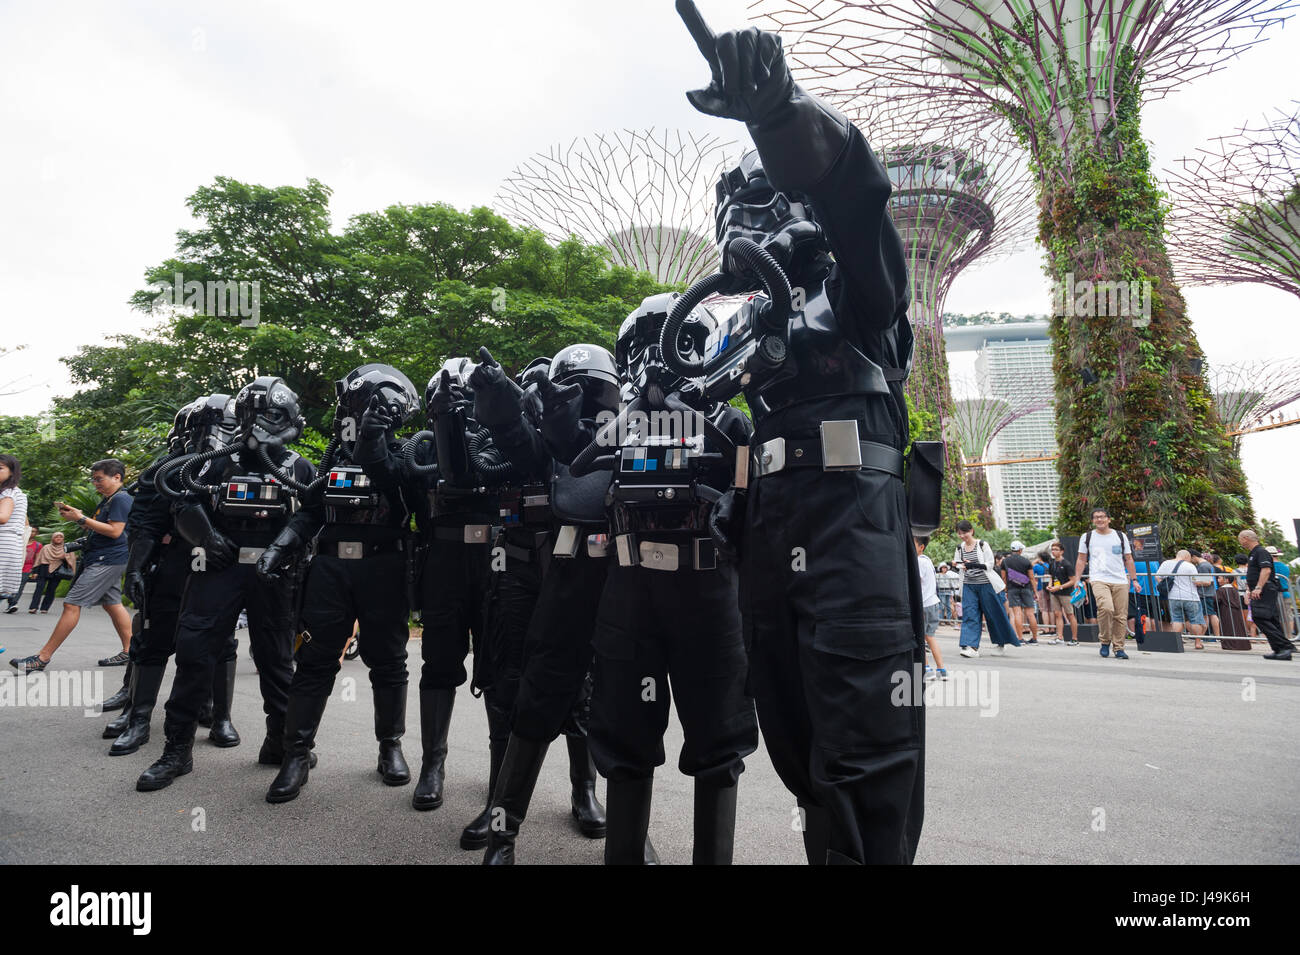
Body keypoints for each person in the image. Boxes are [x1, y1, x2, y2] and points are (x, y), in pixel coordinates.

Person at [678, 3, 925, 865]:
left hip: (852, 523)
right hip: (771, 524)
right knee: (794, 743)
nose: (746, 220)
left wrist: (779, 113)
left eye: (763, 197)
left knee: (864, 759)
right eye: (733, 207)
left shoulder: (860, 296)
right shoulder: (735, 338)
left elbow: (858, 200)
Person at [137, 378, 315, 790]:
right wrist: (204, 536)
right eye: (252, 417)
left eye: (268, 417)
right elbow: (182, 500)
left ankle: (282, 743)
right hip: (218, 567)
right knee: (196, 653)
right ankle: (177, 749)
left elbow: (312, 516)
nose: (258, 425)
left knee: (276, 660)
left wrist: (287, 549)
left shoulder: (299, 467)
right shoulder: (214, 461)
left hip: (274, 571)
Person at [259, 364, 423, 803]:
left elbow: (403, 494)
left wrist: (375, 443)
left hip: (383, 568)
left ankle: (390, 746)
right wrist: (280, 546)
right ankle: (296, 755)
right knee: (313, 662)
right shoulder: (333, 459)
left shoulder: (407, 455)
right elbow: (309, 511)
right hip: (330, 569)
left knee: (388, 661)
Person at [9, 459, 134, 674]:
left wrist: (82, 518)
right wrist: (78, 519)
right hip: (105, 557)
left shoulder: (121, 499)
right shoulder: (108, 500)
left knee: (71, 604)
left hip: (108, 559)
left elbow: (115, 531)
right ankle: (131, 651)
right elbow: (102, 529)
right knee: (112, 604)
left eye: (99, 479)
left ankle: (42, 658)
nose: (95, 484)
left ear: (117, 477)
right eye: (93, 479)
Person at [1074, 507, 1138, 660]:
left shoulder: (1119, 536)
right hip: (1098, 578)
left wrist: (1134, 579)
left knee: (1120, 615)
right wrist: (1077, 579)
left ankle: (1119, 648)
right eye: (1096, 517)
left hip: (1120, 579)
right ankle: (1104, 641)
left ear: (1109, 519)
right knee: (1106, 608)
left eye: (1102, 517)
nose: (1099, 520)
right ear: (1093, 521)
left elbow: (1128, 559)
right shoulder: (1087, 537)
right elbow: (1081, 559)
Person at [953, 520, 1019, 657]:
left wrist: (973, 565)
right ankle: (971, 646)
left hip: (986, 585)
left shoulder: (982, 544)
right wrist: (957, 564)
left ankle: (1001, 644)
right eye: (959, 533)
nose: (962, 536)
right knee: (970, 614)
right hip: (969, 585)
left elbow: (989, 564)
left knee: (994, 614)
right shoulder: (959, 548)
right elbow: (960, 565)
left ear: (971, 531)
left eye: (964, 532)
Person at [1239, 529, 1294, 660]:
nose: (1240, 542)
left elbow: (1266, 570)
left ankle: (1285, 646)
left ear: (1246, 538)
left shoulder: (1261, 552)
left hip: (1264, 589)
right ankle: (1279, 649)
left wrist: (1258, 587)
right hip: (1260, 590)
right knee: (1270, 619)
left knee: (1260, 616)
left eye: (1240, 539)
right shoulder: (1254, 553)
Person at [1155, 549, 1206, 648]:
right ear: (1187, 557)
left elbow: (1157, 577)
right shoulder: (1189, 566)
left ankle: (1175, 642)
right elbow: (1196, 581)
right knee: (1195, 620)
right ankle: (1198, 643)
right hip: (1191, 597)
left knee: (1177, 619)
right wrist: (1206, 581)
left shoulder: (1166, 564)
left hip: (1173, 596)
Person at [0, 455, 30, 613]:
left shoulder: (8, 493)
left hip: (3, 545)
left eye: (0, 468)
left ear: (12, 472)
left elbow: (3, 517)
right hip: (9, 546)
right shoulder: (14, 492)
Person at [915, 537, 948, 680]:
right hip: (933, 602)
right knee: (930, 637)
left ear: (921, 547)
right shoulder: (927, 560)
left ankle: (927, 669)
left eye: (913, 544)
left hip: (924, 603)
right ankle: (941, 670)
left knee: (921, 637)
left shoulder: (919, 561)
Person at [27, 531, 76, 614]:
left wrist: (66, 557)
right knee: (39, 589)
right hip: (44, 570)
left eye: (61, 537)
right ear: (53, 538)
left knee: (51, 590)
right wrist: (35, 572)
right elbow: (39, 560)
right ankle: (33, 607)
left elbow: (72, 560)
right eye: (57, 537)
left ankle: (44, 608)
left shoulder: (67, 548)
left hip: (58, 571)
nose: (59, 539)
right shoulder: (46, 547)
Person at [1002, 540, 1039, 644]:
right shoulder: (1026, 561)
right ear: (1020, 550)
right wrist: (1035, 591)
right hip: (1026, 588)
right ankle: (1035, 638)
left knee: (1017, 613)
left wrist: (1005, 590)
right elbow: (1031, 578)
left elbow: (1004, 577)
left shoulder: (1005, 561)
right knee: (1030, 614)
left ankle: (1020, 638)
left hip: (1012, 589)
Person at [1195, 551, 1220, 641]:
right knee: (1209, 614)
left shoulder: (1203, 566)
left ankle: (1213, 636)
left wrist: (1194, 581)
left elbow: (1207, 582)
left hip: (1205, 594)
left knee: (1209, 614)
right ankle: (1212, 636)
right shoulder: (1207, 565)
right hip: (1208, 593)